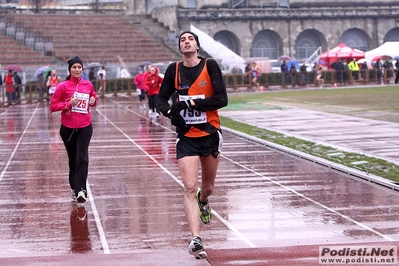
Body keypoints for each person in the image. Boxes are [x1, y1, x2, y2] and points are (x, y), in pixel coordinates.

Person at [157, 31, 228, 260]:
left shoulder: (210, 66)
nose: (186, 42)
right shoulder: (173, 70)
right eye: (182, 40)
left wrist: (195, 104)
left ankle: (204, 201)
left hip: (209, 133)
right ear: (180, 47)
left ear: (197, 45)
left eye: (190, 39)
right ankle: (196, 238)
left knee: (207, 187)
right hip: (186, 135)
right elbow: (160, 99)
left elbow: (221, 99)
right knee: (189, 185)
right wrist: (170, 113)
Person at [50, 56, 97, 203]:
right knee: (73, 159)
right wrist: (68, 104)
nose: (77, 70)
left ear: (82, 69)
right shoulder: (62, 86)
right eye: (74, 67)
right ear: (70, 70)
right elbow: (53, 106)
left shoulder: (88, 85)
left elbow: (93, 98)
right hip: (68, 129)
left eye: (79, 67)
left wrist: (93, 101)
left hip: (85, 127)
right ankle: (73, 187)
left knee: (82, 157)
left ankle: (81, 191)